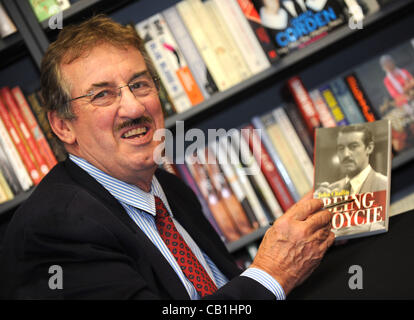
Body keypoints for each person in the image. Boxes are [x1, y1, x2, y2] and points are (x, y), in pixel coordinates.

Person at [0, 15, 334, 300]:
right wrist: (272, 274)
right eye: (102, 94)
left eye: (140, 84)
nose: (134, 107)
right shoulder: (55, 227)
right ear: (62, 125)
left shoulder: (170, 190)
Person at [315, 124, 388, 197]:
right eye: (341, 148)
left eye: (353, 146)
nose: (346, 154)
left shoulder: (384, 185)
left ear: (369, 148)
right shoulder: (331, 190)